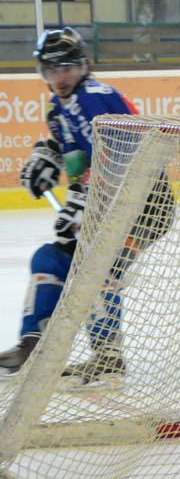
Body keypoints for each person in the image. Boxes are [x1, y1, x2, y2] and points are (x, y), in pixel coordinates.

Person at [0, 29, 140, 381]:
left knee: (97, 265)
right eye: (51, 69)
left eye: (66, 68)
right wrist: (49, 158)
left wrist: (86, 200)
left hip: (143, 205)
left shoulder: (98, 97)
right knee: (50, 258)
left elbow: (130, 158)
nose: (59, 77)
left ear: (82, 66)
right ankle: (32, 344)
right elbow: (78, 162)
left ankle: (108, 357)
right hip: (101, 205)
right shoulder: (57, 108)